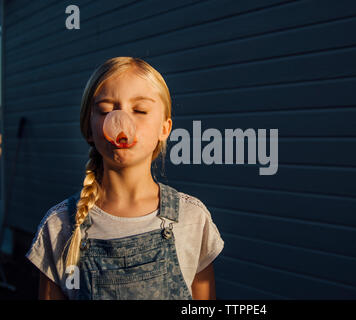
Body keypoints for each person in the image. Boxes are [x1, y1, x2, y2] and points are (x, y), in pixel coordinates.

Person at [25, 57, 225, 300]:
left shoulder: (193, 219)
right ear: (89, 127)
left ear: (165, 128)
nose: (121, 124)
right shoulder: (59, 227)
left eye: (139, 110)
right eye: (106, 111)